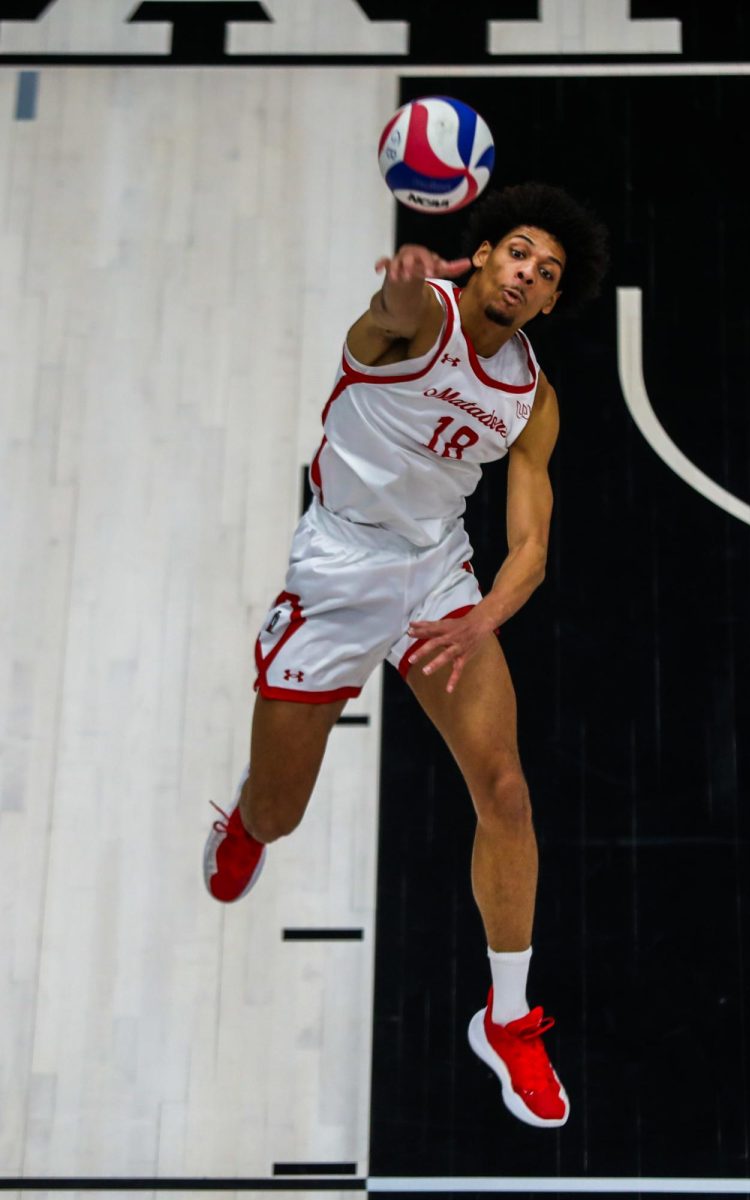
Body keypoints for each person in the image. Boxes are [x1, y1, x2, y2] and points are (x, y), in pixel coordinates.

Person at [203, 181, 609, 1128]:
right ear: (485, 254)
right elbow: (387, 312)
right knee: (281, 810)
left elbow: (533, 546)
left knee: (505, 791)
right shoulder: (413, 318)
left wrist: (481, 620)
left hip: (437, 576)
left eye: (547, 273)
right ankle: (247, 821)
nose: (528, 274)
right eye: (518, 252)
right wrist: (402, 279)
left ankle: (506, 1020)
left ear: (551, 302)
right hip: (340, 568)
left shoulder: (534, 397)